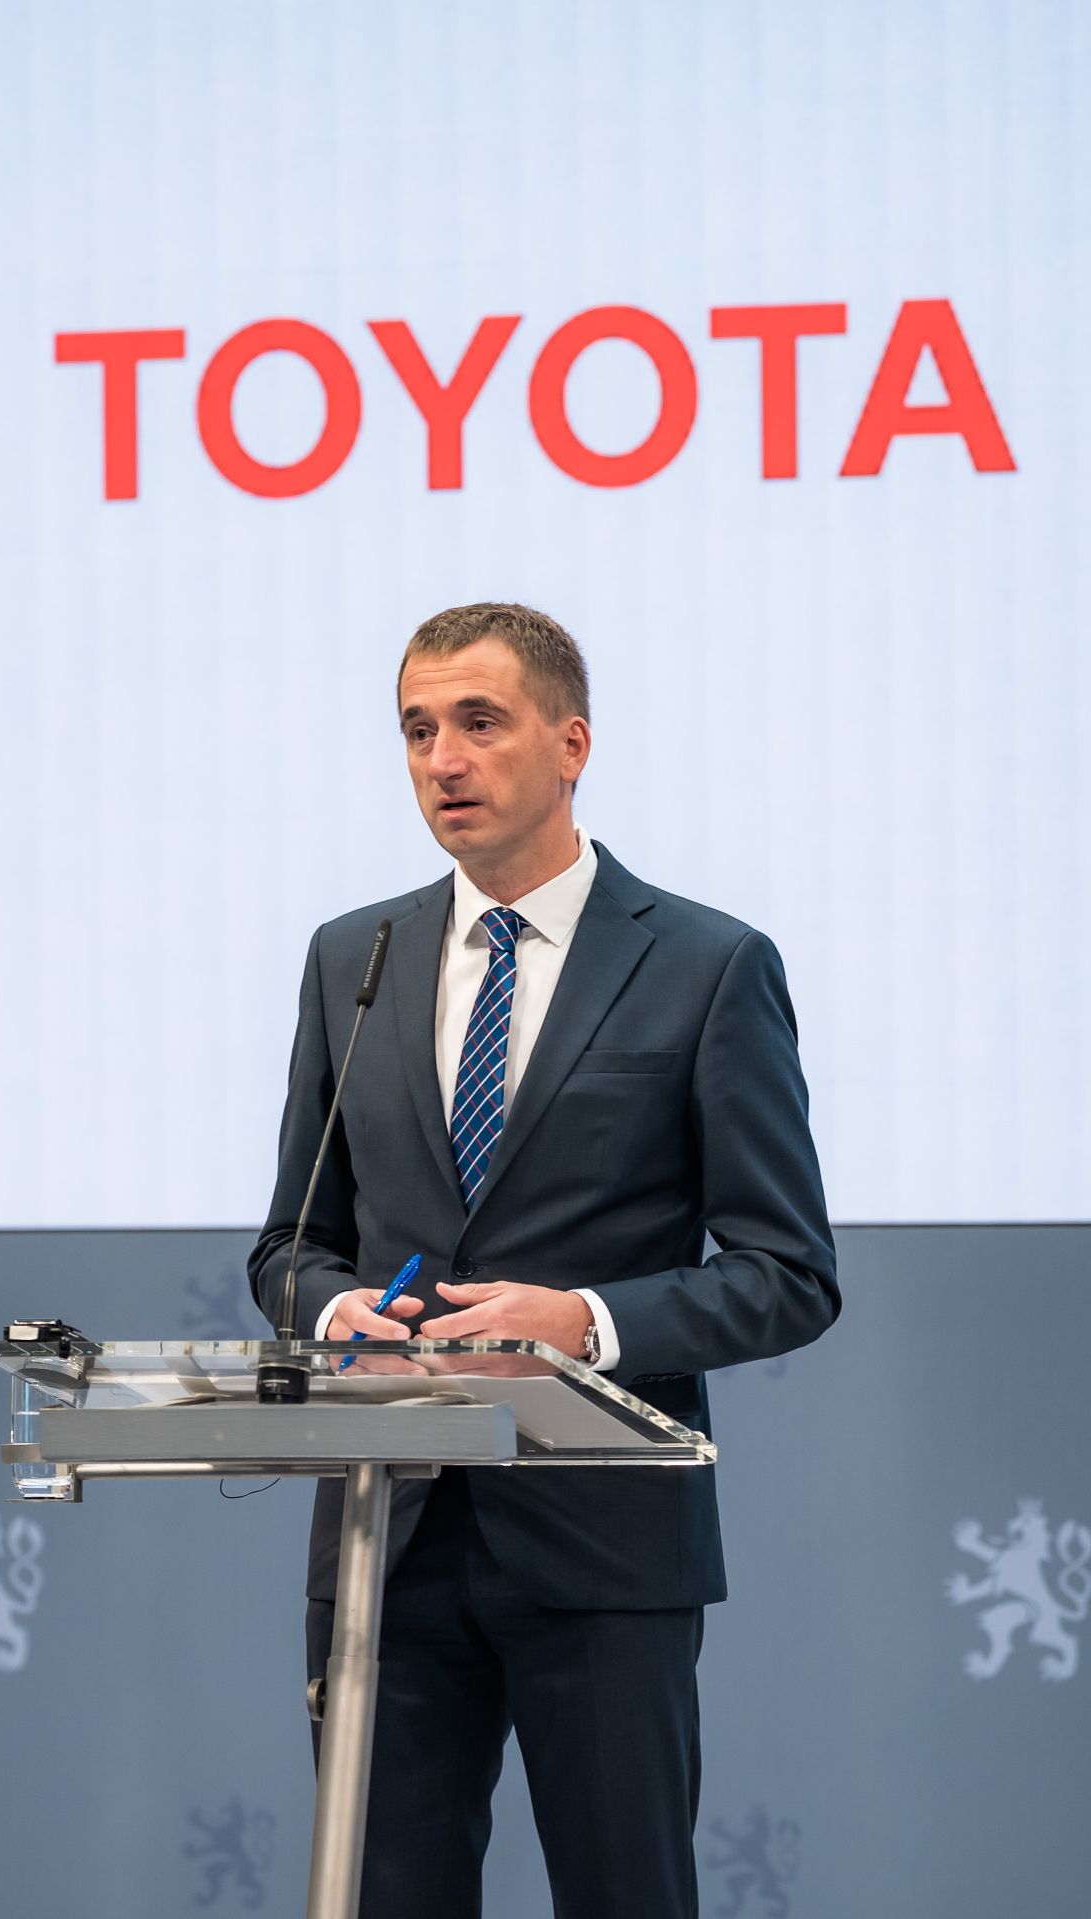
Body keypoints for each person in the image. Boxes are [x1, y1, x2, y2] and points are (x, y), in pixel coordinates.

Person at [249, 602, 839, 1919]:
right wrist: (336, 1308)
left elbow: (789, 1271)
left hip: (603, 1544)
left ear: (572, 744)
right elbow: (290, 1243)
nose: (443, 760)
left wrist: (583, 1321)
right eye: (417, 731)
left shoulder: (707, 966)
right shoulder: (354, 958)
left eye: (479, 723)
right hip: (390, 1541)